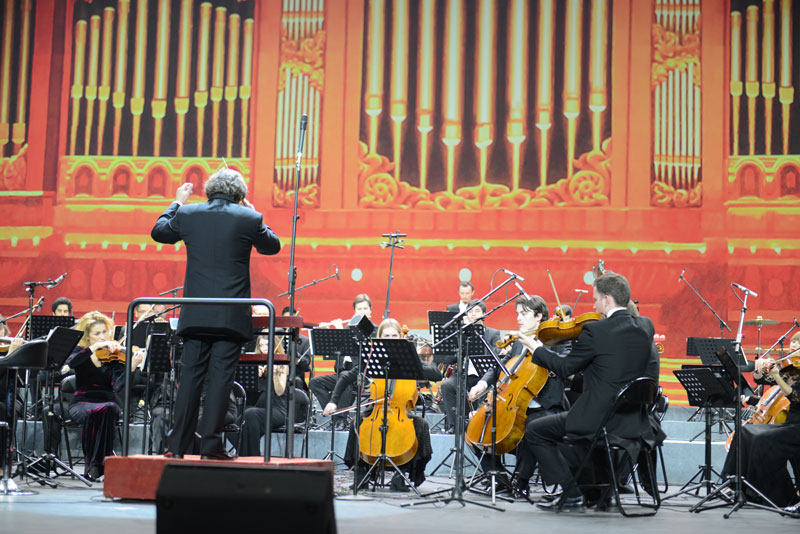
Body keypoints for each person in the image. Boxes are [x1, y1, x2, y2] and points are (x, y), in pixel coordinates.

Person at [151, 168, 281, 460]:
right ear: (239, 194)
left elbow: (159, 232)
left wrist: (177, 202)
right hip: (230, 316)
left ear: (210, 189)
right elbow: (272, 246)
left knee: (190, 381)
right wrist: (255, 212)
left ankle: (176, 446)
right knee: (221, 382)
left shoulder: (188, 214)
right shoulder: (249, 218)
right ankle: (211, 445)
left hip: (196, 315)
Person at [520, 272, 657, 512]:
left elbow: (565, 368)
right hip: (634, 421)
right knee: (576, 436)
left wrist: (537, 349)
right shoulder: (645, 326)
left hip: (598, 420)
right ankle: (601, 491)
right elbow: (614, 366)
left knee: (535, 431)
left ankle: (572, 492)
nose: (592, 305)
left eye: (595, 299)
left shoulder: (596, 331)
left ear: (606, 299)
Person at [466, 294, 568, 499]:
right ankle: (500, 478)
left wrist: (535, 345)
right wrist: (482, 383)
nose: (519, 318)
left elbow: (566, 366)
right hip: (513, 403)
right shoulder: (519, 341)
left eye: (524, 314)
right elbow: (499, 367)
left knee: (531, 427)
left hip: (545, 406)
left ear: (539, 316)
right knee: (473, 430)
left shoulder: (557, 340)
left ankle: (521, 482)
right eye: (517, 314)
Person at [323, 318, 438, 491]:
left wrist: (414, 363)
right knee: (357, 423)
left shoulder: (410, 355)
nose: (390, 339)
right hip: (377, 410)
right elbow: (346, 377)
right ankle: (362, 474)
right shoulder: (373, 356)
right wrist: (333, 401)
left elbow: (437, 374)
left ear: (400, 336)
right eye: (386, 335)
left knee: (421, 426)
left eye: (394, 335)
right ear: (379, 337)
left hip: (401, 413)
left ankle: (402, 475)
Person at [63, 312, 144, 480]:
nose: (103, 337)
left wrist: (132, 367)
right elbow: (71, 363)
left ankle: (94, 465)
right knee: (102, 411)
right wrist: (93, 348)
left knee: (108, 408)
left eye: (104, 332)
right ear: (87, 336)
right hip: (81, 403)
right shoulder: (80, 352)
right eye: (97, 334)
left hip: (107, 402)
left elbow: (118, 386)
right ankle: (100, 464)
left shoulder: (112, 355)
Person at [720, 346, 800, 508]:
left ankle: (779, 497)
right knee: (744, 431)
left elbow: (794, 397)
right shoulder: (794, 371)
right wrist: (760, 370)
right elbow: (765, 379)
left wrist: (777, 375)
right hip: (790, 424)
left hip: (797, 428)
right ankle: (733, 484)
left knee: (760, 439)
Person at [309, 294, 375, 429]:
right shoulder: (346, 330)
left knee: (346, 378)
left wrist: (340, 331)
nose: (362, 312)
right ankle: (336, 415)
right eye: (359, 309)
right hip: (344, 375)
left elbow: (365, 355)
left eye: (365, 308)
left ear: (370, 311)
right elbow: (336, 362)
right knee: (315, 382)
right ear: (354, 312)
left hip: (365, 376)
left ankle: (340, 420)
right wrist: (327, 334)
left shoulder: (375, 330)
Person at [439, 300, 501, 433]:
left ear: (484, 314)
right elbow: (449, 359)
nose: (473, 314)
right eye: (470, 311)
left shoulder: (493, 333)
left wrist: (479, 340)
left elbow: (496, 355)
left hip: (483, 375)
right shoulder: (460, 333)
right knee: (447, 385)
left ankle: (479, 428)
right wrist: (461, 340)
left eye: (477, 311)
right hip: (463, 374)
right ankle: (454, 426)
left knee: (485, 389)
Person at [239, 362, 309, 456]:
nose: (263, 347)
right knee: (236, 425)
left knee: (251, 415)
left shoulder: (281, 365)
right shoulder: (256, 364)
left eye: (266, 346)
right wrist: (256, 377)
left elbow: (280, 391)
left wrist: (274, 374)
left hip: (278, 410)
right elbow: (249, 393)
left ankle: (253, 456)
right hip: (260, 408)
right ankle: (247, 455)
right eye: (261, 346)